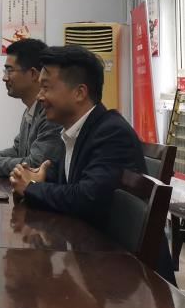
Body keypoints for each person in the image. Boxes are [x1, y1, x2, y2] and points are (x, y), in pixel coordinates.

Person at [9, 45, 175, 283]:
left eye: (46, 87)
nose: (39, 96)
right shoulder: (78, 130)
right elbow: (68, 178)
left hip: (128, 280)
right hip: (93, 262)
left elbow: (86, 197)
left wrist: (31, 187)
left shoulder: (110, 133)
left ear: (79, 93)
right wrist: (41, 176)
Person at [0, 38, 63, 176]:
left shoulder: (51, 114)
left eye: (9, 70)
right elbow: (18, 151)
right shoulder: (30, 110)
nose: (4, 78)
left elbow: (35, 165)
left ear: (33, 74)